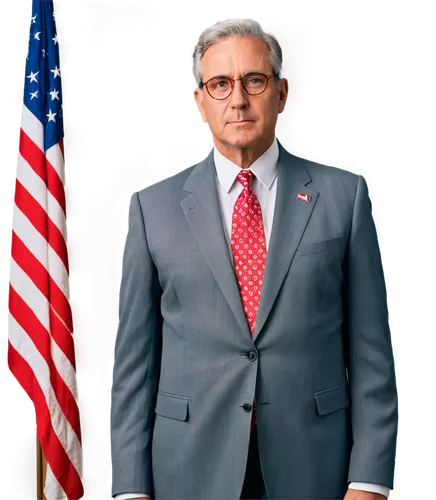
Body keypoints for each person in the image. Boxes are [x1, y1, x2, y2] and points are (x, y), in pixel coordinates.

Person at [109, 16, 399, 500]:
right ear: (198, 101)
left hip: (315, 472)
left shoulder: (343, 195)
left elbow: (373, 358)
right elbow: (134, 369)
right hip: (186, 472)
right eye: (220, 84)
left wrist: (369, 482)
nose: (238, 99)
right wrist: (131, 491)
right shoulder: (151, 209)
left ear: (281, 94)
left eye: (254, 81)